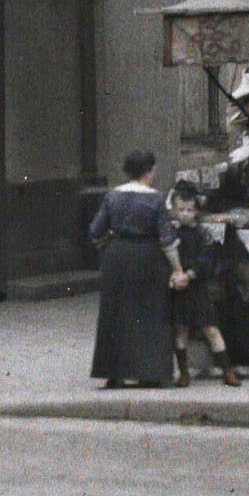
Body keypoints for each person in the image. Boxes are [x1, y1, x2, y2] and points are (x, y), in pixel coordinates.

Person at [89, 148, 188, 388]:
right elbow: (166, 240)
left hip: (117, 257)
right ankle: (149, 371)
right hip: (148, 258)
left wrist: (108, 248)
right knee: (150, 314)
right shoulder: (155, 198)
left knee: (116, 314)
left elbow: (95, 231)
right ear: (149, 171)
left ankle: (115, 372)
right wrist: (177, 269)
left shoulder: (112, 196)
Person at [169, 179, 244, 386]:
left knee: (211, 328)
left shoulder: (202, 234)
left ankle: (227, 370)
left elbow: (206, 261)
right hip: (178, 288)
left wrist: (189, 275)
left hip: (197, 286)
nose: (185, 213)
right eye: (181, 209)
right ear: (175, 210)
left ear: (196, 210)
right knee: (180, 329)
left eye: (189, 209)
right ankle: (184, 373)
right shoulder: (171, 234)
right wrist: (175, 276)